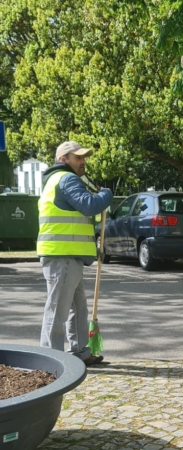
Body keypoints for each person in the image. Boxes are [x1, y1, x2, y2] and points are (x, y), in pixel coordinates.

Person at [37, 141, 113, 366]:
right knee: (58, 309)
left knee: (77, 306)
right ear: (63, 160)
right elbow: (89, 205)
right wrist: (106, 194)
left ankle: (80, 352)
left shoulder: (55, 181)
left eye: (84, 157)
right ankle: (49, 360)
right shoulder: (66, 179)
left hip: (69, 255)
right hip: (63, 254)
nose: (83, 161)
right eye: (77, 157)